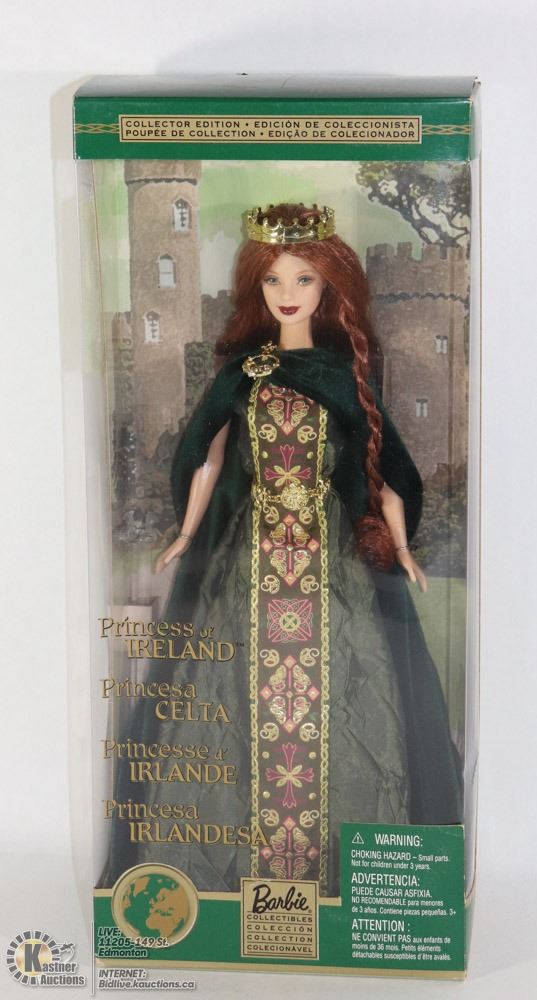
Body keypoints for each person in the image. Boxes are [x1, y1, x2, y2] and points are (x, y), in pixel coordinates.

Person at [103, 204, 462, 897]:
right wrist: (187, 533)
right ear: (256, 288)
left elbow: (382, 469)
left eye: (303, 278)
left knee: (348, 682)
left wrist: (401, 544)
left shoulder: (343, 375)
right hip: (251, 554)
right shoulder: (245, 372)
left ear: (328, 287)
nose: (287, 293)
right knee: (231, 687)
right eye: (273, 280)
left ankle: (345, 865)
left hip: (330, 559)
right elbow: (209, 458)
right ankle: (225, 870)